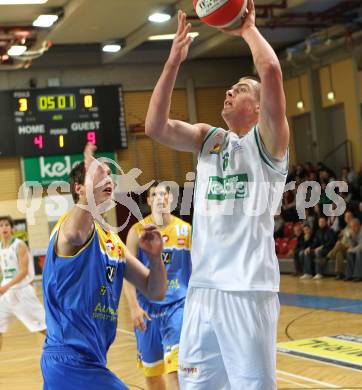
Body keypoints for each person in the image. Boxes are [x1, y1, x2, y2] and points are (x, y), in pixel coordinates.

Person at [144, 0, 289, 388]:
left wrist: (245, 29)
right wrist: (173, 62)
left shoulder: (270, 145)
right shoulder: (210, 140)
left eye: (239, 89)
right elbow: (155, 126)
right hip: (203, 289)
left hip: (247, 289)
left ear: (258, 108)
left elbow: (271, 70)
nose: (229, 91)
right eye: (230, 87)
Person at [41, 144, 167, 390]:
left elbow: (155, 290)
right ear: (80, 188)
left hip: (92, 360)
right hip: (69, 360)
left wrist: (155, 258)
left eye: (109, 175)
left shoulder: (112, 241)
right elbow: (76, 234)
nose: (108, 179)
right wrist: (91, 188)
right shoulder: (68, 226)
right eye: (100, 174)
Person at [124, 181, 192, 390]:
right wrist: (134, 307)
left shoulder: (186, 230)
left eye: (164, 194)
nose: (160, 198)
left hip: (178, 308)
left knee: (176, 370)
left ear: (171, 199)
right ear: (148, 200)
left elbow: (199, 272)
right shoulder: (137, 232)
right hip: (147, 311)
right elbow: (127, 275)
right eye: (155, 195)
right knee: (153, 376)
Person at [0, 216, 46, 350]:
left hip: (22, 292)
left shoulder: (19, 245)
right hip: (6, 297)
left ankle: (69, 351)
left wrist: (6, 286)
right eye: (1, 225)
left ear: (12, 228)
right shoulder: (0, 247)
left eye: (7, 225)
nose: (4, 227)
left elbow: (24, 271)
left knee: (43, 328)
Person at [300, 216, 337, 280]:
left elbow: (331, 243)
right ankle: (308, 273)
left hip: (328, 249)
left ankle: (319, 273)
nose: (321, 223)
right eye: (320, 222)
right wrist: (309, 248)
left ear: (326, 222)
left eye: (322, 222)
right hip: (318, 249)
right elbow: (315, 243)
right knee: (308, 252)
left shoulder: (330, 231)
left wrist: (322, 247)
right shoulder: (318, 232)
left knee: (318, 252)